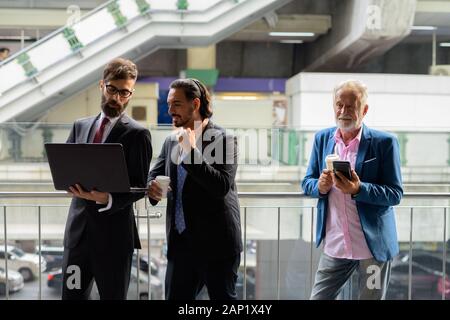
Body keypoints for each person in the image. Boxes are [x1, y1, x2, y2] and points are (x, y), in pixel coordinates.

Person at [302, 79, 403, 300]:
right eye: (339, 105)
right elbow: (307, 181)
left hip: (372, 248)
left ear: (364, 110)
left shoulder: (385, 142)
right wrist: (319, 186)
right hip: (335, 244)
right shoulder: (322, 139)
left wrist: (358, 188)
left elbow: (395, 193)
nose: (343, 111)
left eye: (351, 106)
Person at [61, 58, 152, 300]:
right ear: (102, 85)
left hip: (114, 241)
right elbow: (65, 166)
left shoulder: (138, 134)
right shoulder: (80, 126)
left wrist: (109, 198)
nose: (116, 98)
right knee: (71, 297)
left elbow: (141, 186)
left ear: (131, 93)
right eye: (112, 89)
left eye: (124, 93)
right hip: (78, 237)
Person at [147, 78, 242, 300]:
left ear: (196, 104)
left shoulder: (223, 139)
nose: (170, 110)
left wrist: (190, 152)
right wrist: (151, 188)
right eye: (169, 104)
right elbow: (155, 173)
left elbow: (220, 186)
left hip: (217, 246)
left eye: (176, 104)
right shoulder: (171, 141)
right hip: (180, 245)